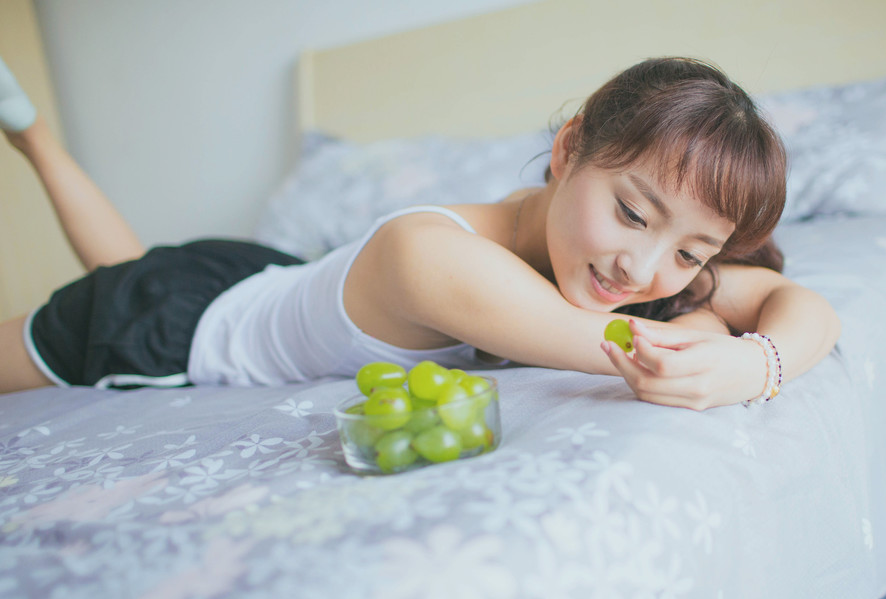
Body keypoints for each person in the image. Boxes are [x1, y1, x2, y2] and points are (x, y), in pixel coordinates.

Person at [0, 56, 841, 409]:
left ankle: (33, 136)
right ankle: (34, 136)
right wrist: (709, 335)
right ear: (568, 146)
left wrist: (753, 355)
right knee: (128, 280)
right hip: (171, 334)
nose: (642, 265)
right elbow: (630, 346)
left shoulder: (625, 262)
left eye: (692, 252)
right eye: (631, 211)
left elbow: (799, 303)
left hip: (268, 274)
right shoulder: (428, 256)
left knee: (142, 260)